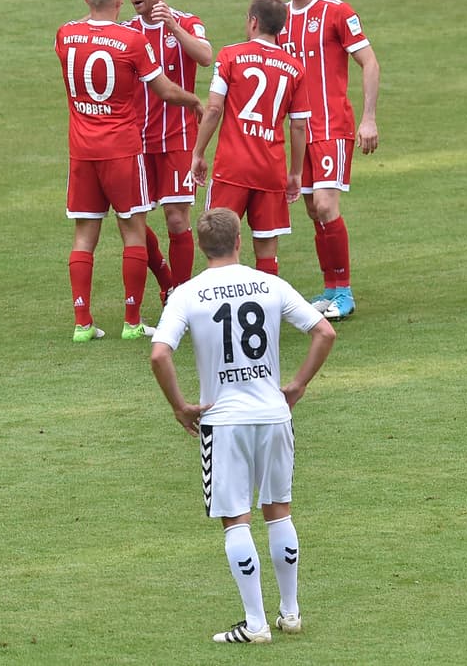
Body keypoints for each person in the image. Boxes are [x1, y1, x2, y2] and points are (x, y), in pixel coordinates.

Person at [149, 207, 337, 644]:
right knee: (279, 510)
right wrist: (297, 385)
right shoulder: (270, 284)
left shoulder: (188, 294)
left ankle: (254, 625)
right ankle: (289, 613)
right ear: (240, 241)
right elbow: (324, 332)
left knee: (236, 520)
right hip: (273, 414)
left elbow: (159, 354)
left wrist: (180, 406)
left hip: (224, 420)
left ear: (200, 247)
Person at [55, 0, 203, 343]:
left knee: (84, 236)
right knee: (133, 231)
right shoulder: (131, 40)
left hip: (81, 151)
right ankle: (132, 321)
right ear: (119, 0)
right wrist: (195, 101)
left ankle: (82, 323)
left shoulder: (65, 34)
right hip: (122, 148)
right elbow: (166, 90)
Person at [278, 0, 380, 320]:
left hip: (333, 125)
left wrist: (368, 118)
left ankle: (345, 291)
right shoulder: (280, 17)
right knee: (311, 209)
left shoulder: (337, 11)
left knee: (325, 204)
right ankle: (331, 287)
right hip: (298, 132)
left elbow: (369, 63)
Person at [192, 0, 310, 277]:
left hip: (232, 167)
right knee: (267, 248)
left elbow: (214, 109)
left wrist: (198, 153)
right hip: (271, 169)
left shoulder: (230, 55)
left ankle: (221, 312)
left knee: (219, 242)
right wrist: (295, 173)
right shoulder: (295, 68)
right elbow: (298, 126)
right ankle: (266, 316)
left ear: (253, 21)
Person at [121, 0, 213, 303]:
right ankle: (165, 276)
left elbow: (205, 57)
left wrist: (173, 27)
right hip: (135, 139)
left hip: (178, 136)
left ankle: (182, 298)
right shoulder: (126, 31)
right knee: (131, 220)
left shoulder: (188, 22)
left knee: (176, 219)